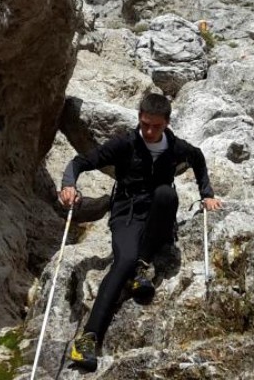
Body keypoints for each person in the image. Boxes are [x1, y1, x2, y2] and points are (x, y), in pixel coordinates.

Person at [60, 93, 223, 371]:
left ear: (167, 123)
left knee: (166, 195)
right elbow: (79, 163)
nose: (149, 131)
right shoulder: (125, 144)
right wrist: (69, 185)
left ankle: (140, 267)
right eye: (145, 124)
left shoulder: (175, 147)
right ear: (139, 118)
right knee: (122, 261)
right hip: (127, 213)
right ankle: (88, 339)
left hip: (158, 219)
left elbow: (198, 158)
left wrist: (206, 194)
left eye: (156, 126)